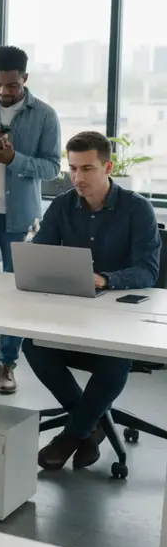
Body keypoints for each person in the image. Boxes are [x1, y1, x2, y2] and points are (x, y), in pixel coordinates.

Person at [21, 131, 161, 471]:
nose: (77, 178)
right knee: (34, 346)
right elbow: (41, 253)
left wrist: (107, 279)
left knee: (114, 360)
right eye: (72, 169)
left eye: (86, 169)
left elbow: (148, 271)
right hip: (74, 314)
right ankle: (90, 425)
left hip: (118, 322)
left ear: (108, 167)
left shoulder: (137, 210)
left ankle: (71, 435)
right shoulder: (62, 206)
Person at [0, 45, 61, 394]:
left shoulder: (45, 115)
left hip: (22, 220)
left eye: (12, 85)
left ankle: (6, 364)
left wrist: (14, 158)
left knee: (15, 295)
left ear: (25, 79)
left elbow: (52, 167)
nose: (4, 91)